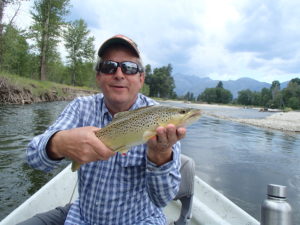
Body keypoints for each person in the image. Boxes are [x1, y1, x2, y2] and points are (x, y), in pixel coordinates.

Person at [23, 34, 186, 225]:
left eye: (129, 68)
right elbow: (33, 158)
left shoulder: (162, 122)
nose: (119, 74)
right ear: (98, 76)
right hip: (81, 216)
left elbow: (162, 200)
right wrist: (58, 144)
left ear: (141, 78)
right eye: (109, 66)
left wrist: (161, 156)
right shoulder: (80, 108)